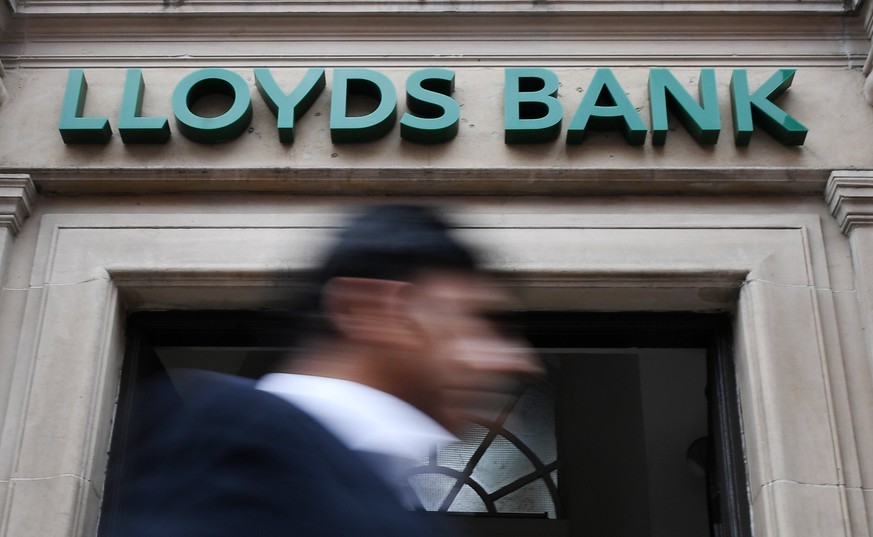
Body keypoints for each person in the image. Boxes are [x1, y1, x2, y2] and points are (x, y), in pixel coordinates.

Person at [105, 204, 541, 537]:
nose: (516, 361)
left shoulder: (366, 480)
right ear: (369, 310)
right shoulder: (234, 436)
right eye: (477, 320)